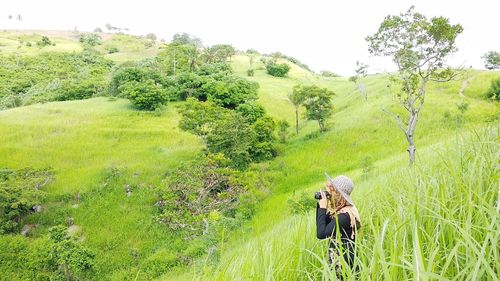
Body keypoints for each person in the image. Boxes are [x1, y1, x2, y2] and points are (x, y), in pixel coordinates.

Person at [316, 174, 361, 276]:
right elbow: (321, 225)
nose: (329, 194)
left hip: (345, 263)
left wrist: (323, 208)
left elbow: (321, 234)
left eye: (331, 191)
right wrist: (320, 205)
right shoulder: (338, 210)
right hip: (337, 257)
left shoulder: (345, 215)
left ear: (338, 194)